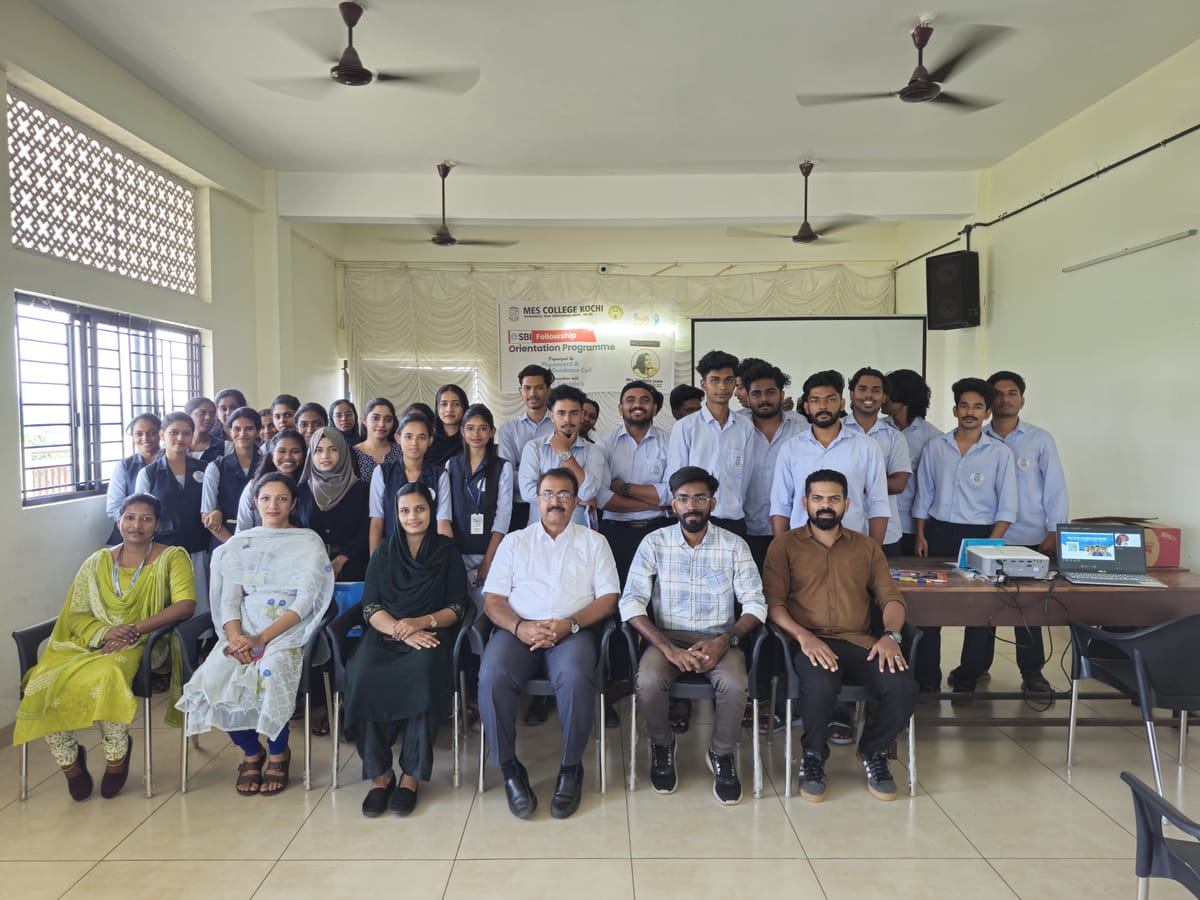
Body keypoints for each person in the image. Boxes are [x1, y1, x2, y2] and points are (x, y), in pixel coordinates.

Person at [14, 494, 197, 801]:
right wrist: (105, 631)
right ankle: (70, 763)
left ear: (157, 525)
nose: (136, 525)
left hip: (144, 640)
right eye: (129, 517)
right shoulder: (97, 561)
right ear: (118, 520)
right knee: (41, 681)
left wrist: (133, 629)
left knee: (107, 673)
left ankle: (116, 756)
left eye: (146, 519)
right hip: (90, 640)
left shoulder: (172, 557)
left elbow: (185, 606)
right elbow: (76, 613)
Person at [176, 472, 334, 796]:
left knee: (270, 672)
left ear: (293, 503)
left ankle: (278, 753)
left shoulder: (308, 542)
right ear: (254, 502)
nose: (273, 505)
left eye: (281, 499)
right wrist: (236, 638)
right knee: (210, 682)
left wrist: (262, 638)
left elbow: (306, 601)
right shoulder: (239, 545)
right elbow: (230, 600)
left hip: (287, 629)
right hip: (243, 627)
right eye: (265, 498)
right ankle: (251, 751)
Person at [764, 469, 917, 803]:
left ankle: (873, 751)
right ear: (805, 503)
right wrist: (804, 637)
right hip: (809, 642)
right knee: (821, 684)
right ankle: (814, 757)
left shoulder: (866, 547)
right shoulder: (784, 546)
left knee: (903, 685)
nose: (825, 506)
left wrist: (891, 635)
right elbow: (774, 605)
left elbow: (890, 598)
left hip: (860, 641)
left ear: (847, 503)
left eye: (834, 499)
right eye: (817, 498)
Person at [478, 468, 620, 820]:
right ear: (537, 499)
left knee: (573, 678)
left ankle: (571, 768)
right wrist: (520, 626)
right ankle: (510, 769)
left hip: (572, 631)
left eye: (563, 495)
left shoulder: (594, 542)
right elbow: (493, 599)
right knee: (492, 676)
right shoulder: (515, 542)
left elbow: (608, 598)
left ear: (575, 501)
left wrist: (570, 624)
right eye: (548, 494)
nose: (555, 501)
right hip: (518, 631)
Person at [620, 466, 767, 804]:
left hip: (720, 638)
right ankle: (662, 744)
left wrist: (724, 641)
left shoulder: (734, 545)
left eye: (699, 498)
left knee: (732, 683)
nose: (692, 506)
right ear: (673, 505)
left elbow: (756, 604)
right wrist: (667, 647)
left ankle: (721, 753)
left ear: (712, 503)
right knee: (648, 679)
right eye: (684, 499)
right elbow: (631, 603)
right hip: (666, 637)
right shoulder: (653, 543)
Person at [346, 482, 469, 817]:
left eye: (420, 509)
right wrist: (403, 631)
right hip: (387, 634)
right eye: (404, 511)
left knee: (423, 673)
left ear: (431, 511)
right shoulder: (384, 552)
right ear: (395, 515)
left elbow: (458, 606)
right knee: (360, 676)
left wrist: (422, 622)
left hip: (430, 634)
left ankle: (411, 776)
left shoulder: (446, 552)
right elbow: (371, 607)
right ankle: (379, 774)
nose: (412, 517)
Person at [912, 377, 1018, 697]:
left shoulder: (999, 453)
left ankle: (969, 674)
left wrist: (991, 544)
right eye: (964, 405)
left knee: (979, 612)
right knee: (930, 610)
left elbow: (1007, 506)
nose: (969, 412)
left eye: (977, 407)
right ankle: (927, 676)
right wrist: (920, 533)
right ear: (955, 409)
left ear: (987, 413)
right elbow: (923, 494)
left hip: (981, 536)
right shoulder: (936, 447)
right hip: (939, 532)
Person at [975, 370, 1068, 698]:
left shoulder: (1039, 439)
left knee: (1027, 609)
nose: (1004, 399)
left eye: (1012, 393)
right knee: (982, 608)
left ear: (1022, 400)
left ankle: (1032, 673)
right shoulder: (977, 437)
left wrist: (1054, 531)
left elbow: (1055, 488)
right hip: (987, 536)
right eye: (998, 394)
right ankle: (975, 667)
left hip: (1029, 535)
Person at [770, 370, 890, 544]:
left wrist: (873, 552)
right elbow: (781, 504)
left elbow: (878, 504)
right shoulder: (790, 448)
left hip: (851, 545)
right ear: (806, 407)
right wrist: (782, 550)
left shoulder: (867, 447)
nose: (823, 406)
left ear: (842, 404)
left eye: (830, 399)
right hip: (802, 547)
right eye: (815, 400)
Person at [667, 350, 759, 534]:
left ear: (735, 383)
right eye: (715, 380)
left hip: (734, 519)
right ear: (704, 384)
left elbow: (747, 478)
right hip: (695, 518)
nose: (722, 387)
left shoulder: (745, 427)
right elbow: (676, 478)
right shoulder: (685, 427)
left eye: (728, 380)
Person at [597, 381, 672, 586]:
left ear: (654, 408)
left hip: (659, 531)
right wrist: (654, 502)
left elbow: (671, 494)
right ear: (620, 408)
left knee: (658, 594)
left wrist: (624, 488)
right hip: (616, 534)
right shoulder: (604, 446)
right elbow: (603, 498)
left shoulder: (670, 443)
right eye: (630, 400)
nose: (637, 405)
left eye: (645, 400)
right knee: (618, 592)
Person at [135, 412, 210, 614]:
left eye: (186, 433)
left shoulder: (206, 469)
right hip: (163, 550)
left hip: (198, 547)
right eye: (174, 432)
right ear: (162, 435)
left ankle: (199, 644)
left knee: (200, 603)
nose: (180, 438)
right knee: (167, 605)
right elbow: (141, 515)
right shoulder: (149, 474)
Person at [739, 360, 804, 571]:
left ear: (782, 395)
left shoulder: (802, 428)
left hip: (792, 529)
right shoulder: (735, 428)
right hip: (744, 529)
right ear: (747, 397)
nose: (764, 399)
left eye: (770, 392)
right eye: (756, 394)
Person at [445, 403, 513, 603]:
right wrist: (453, 558)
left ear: (492, 432)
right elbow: (446, 514)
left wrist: (489, 560)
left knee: (486, 608)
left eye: (483, 428)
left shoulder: (503, 468)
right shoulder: (452, 465)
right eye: (470, 428)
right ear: (462, 431)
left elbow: (503, 516)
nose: (476, 434)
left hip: (490, 551)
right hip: (457, 551)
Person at [843, 367, 912, 556]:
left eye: (876, 390)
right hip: (843, 530)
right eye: (862, 389)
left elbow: (899, 483)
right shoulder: (836, 431)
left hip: (887, 535)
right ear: (851, 394)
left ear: (883, 397)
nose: (869, 395)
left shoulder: (894, 437)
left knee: (883, 586)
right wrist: (877, 482)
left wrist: (852, 485)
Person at [518, 384, 606, 523]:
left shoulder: (594, 451)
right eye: (561, 413)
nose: (567, 419)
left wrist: (564, 452)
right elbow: (528, 492)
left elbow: (589, 492)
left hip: (579, 535)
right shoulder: (534, 448)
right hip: (540, 534)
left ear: (582, 415)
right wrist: (575, 498)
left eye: (574, 413)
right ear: (552, 415)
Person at [369, 412, 453, 554]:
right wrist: (375, 561)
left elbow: (443, 522)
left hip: (428, 553)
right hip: (392, 552)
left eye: (421, 437)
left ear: (430, 441)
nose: (414, 443)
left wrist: (447, 559)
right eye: (408, 437)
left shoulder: (439, 475)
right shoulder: (382, 472)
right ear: (398, 438)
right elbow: (377, 521)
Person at [881, 369, 942, 556]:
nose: (882, 398)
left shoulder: (932, 438)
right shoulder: (877, 430)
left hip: (911, 527)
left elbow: (932, 488)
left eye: (887, 392)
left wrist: (921, 532)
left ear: (904, 396)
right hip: (880, 522)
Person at [298, 427, 371, 582]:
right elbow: (297, 529)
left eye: (333, 449)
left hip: (353, 568)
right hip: (310, 570)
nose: (325, 456)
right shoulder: (302, 489)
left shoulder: (362, 489)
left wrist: (341, 560)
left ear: (343, 452)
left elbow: (366, 531)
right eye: (318, 450)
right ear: (311, 454)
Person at [497, 364, 555, 531]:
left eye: (539, 388)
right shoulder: (508, 429)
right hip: (520, 506)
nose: (532, 393)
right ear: (520, 391)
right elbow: (507, 474)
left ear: (548, 390)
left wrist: (524, 471)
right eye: (527, 388)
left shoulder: (558, 425)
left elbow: (564, 469)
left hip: (555, 506)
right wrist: (551, 479)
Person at [201, 407, 262, 548]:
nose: (242, 434)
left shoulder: (268, 464)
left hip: (262, 541)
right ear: (229, 431)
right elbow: (207, 518)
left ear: (258, 431)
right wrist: (238, 546)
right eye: (237, 429)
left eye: (249, 429)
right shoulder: (216, 467)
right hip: (225, 543)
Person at [105, 413, 162, 545]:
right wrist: (135, 524)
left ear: (161, 434)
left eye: (151, 433)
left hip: (165, 536)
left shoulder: (173, 462)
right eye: (139, 434)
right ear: (132, 436)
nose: (145, 438)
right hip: (129, 537)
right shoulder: (124, 466)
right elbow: (113, 507)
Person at [236, 428, 308, 532]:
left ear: (304, 455)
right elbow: (242, 529)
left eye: (295, 451)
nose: (288, 457)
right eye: (281, 451)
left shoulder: (309, 486)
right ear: (271, 454)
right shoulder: (254, 486)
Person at [352, 397, 403, 483]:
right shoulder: (352, 453)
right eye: (376, 418)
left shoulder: (401, 451)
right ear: (364, 420)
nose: (382, 424)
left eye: (388, 419)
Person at [430, 383, 469, 467]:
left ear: (464, 407)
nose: (449, 409)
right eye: (444, 404)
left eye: (456, 404)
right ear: (437, 408)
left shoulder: (472, 440)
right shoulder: (428, 441)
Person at [185, 396, 225, 466]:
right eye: (202, 413)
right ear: (188, 416)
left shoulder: (224, 447)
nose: (208, 417)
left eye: (212, 414)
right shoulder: (177, 445)